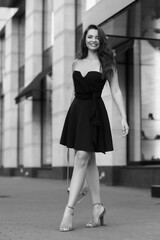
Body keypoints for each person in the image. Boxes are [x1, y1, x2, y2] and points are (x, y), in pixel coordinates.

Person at [59, 24, 129, 232]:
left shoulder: (107, 63)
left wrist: (124, 117)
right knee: (89, 161)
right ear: (85, 40)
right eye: (90, 37)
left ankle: (69, 210)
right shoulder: (75, 63)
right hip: (77, 113)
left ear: (101, 41)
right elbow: (73, 93)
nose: (93, 40)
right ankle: (97, 207)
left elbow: (116, 91)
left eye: (96, 37)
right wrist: (69, 119)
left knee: (82, 156)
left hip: (94, 114)